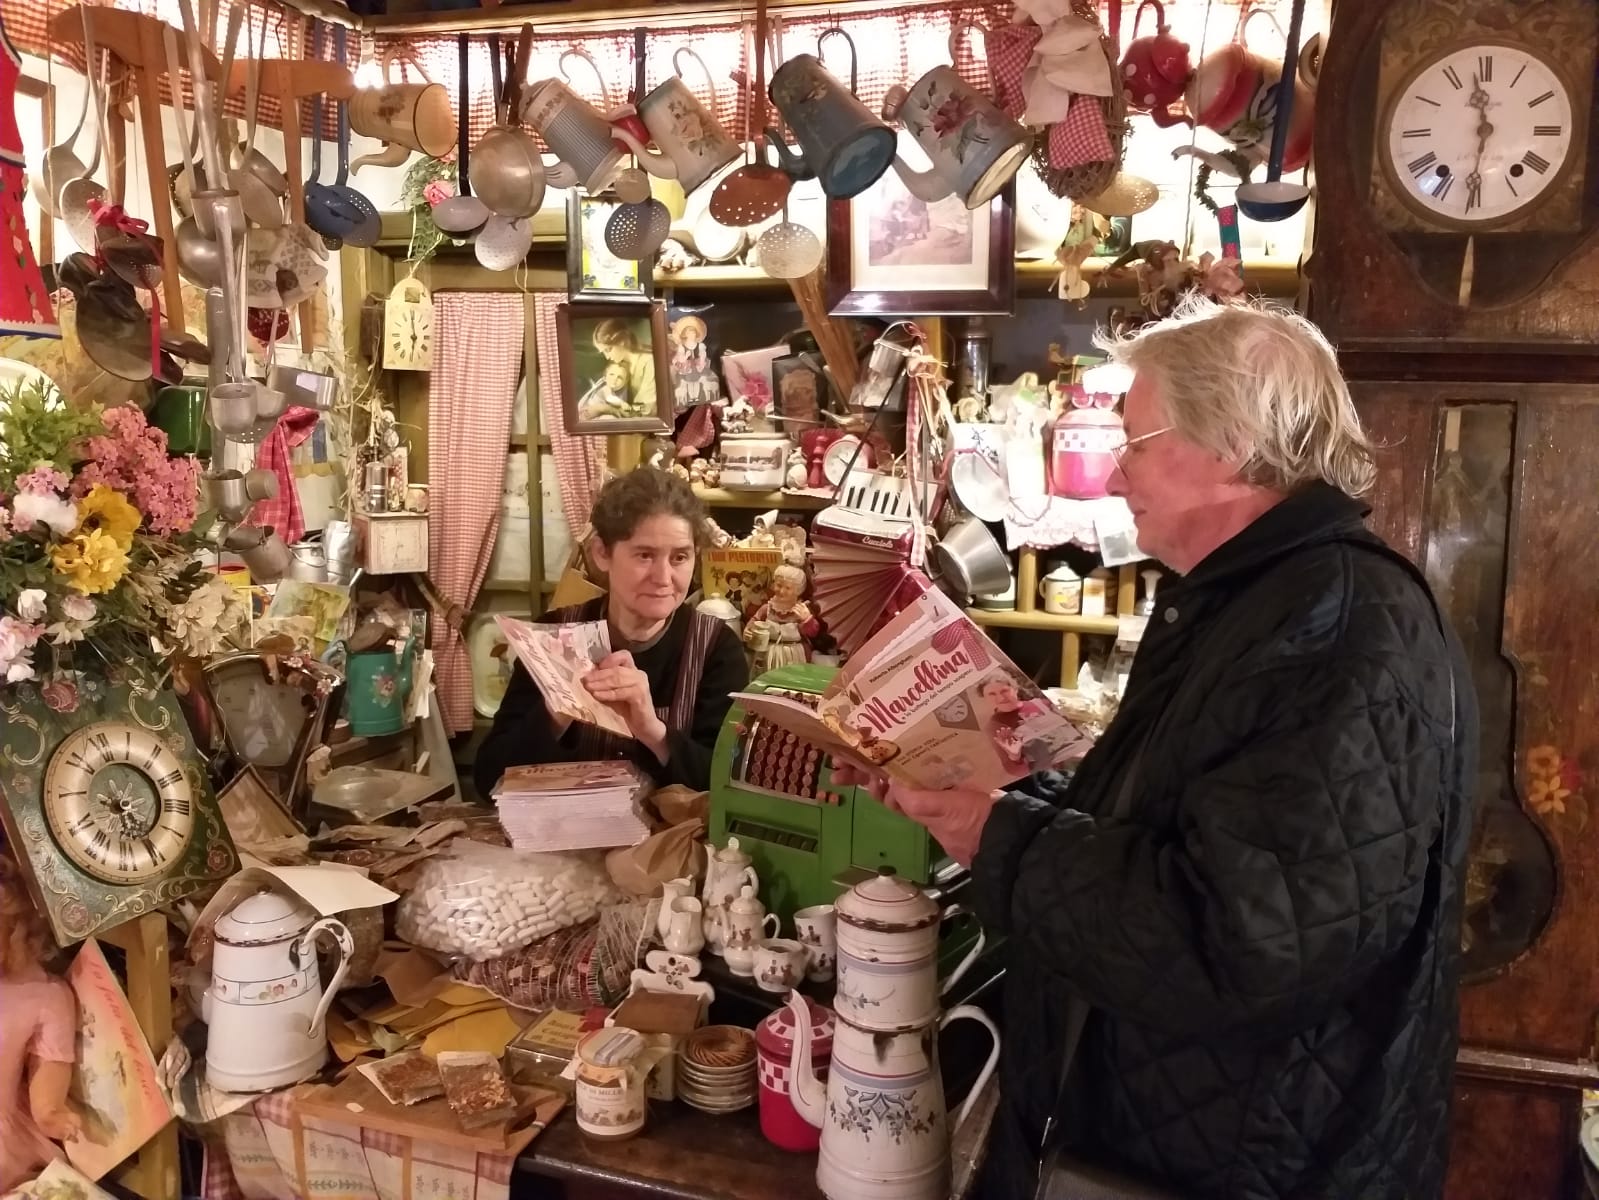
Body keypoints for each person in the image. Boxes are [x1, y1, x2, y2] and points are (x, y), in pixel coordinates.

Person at [839, 297, 1478, 1200]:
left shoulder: (1331, 628)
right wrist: (984, 798)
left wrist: (1001, 838)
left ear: (1232, 443)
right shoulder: (1257, 600)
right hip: (1181, 1142)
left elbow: (1234, 943)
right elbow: (1165, 832)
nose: (1111, 475)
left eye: (1133, 442)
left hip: (1235, 1169)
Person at [475, 468, 748, 795]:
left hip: (668, 829)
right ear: (602, 554)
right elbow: (488, 779)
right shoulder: (553, 637)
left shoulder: (717, 649)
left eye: (679, 557)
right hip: (565, 826)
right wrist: (556, 712)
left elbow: (729, 787)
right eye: (645, 555)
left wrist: (653, 732)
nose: (663, 577)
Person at [592, 318, 657, 416]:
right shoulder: (619, 366)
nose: (607, 357)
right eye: (603, 352)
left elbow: (648, 410)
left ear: (621, 341)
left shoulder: (649, 362)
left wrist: (607, 409)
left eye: (608, 350)